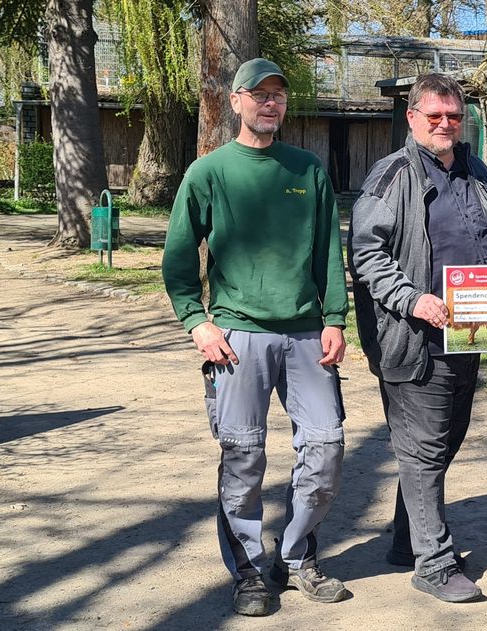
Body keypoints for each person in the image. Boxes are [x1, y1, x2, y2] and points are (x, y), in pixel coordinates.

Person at [161, 57, 352, 617]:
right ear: (237, 101)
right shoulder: (209, 173)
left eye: (279, 95)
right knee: (242, 454)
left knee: (326, 447)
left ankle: (294, 558)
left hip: (305, 335)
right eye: (260, 94)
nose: (272, 103)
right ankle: (247, 569)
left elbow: (328, 254)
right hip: (237, 336)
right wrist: (196, 321)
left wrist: (336, 318)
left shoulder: (307, 170)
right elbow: (177, 258)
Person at [349, 73, 487, 603]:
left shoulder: (475, 170)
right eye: (433, 115)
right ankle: (433, 564)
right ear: (412, 117)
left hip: (471, 334)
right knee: (423, 448)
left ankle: (405, 541)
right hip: (413, 339)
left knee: (442, 443)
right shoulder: (392, 174)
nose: (444, 124)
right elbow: (367, 255)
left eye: (454, 117)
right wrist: (413, 298)